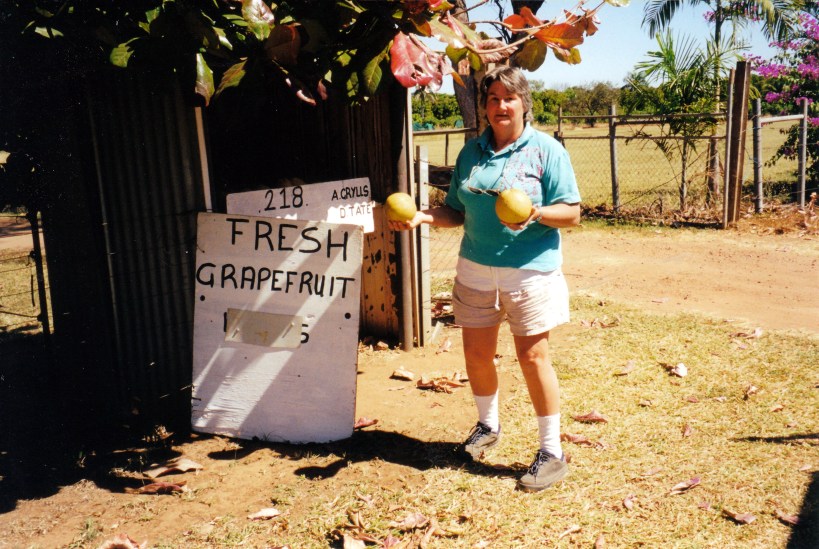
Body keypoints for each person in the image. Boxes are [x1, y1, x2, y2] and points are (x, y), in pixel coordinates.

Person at [389, 65, 581, 492]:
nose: (500, 106)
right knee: (476, 356)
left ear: (523, 104)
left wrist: (535, 213)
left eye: (508, 98)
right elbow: (455, 211)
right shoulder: (471, 153)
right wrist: (422, 216)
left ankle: (551, 452)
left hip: (530, 271)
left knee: (533, 358)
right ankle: (487, 426)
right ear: (485, 107)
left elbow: (571, 212)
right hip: (475, 266)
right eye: (492, 98)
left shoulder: (546, 151)